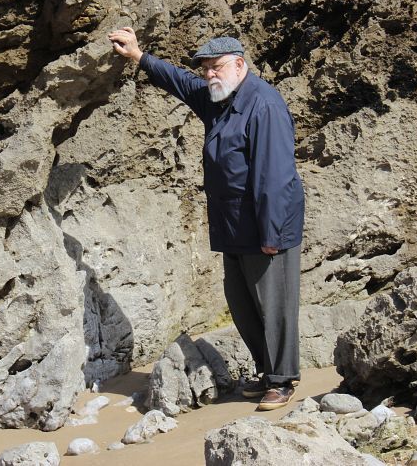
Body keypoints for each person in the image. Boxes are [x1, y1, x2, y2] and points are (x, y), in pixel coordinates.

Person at [107, 27, 305, 410]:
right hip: (233, 225)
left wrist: (272, 234)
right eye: (206, 69)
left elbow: (275, 177)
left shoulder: (264, 105)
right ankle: (267, 373)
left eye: (217, 67)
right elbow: (179, 81)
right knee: (243, 304)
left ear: (239, 65)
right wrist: (138, 56)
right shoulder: (218, 98)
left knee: (274, 305)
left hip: (267, 226)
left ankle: (283, 381)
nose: (210, 74)